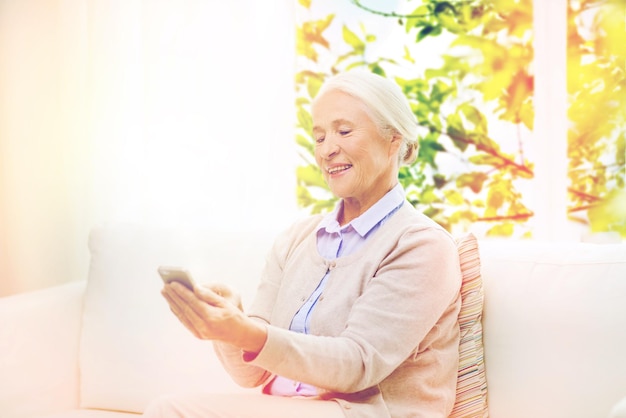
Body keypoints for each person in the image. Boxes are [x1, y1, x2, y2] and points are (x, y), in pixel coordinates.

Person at [143, 70, 462, 418]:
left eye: (343, 131)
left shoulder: (422, 245)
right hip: (285, 408)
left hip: (362, 412)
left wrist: (247, 332)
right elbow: (252, 375)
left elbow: (357, 364)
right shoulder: (296, 239)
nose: (327, 150)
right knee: (167, 410)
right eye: (320, 136)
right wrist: (229, 327)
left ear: (393, 141)